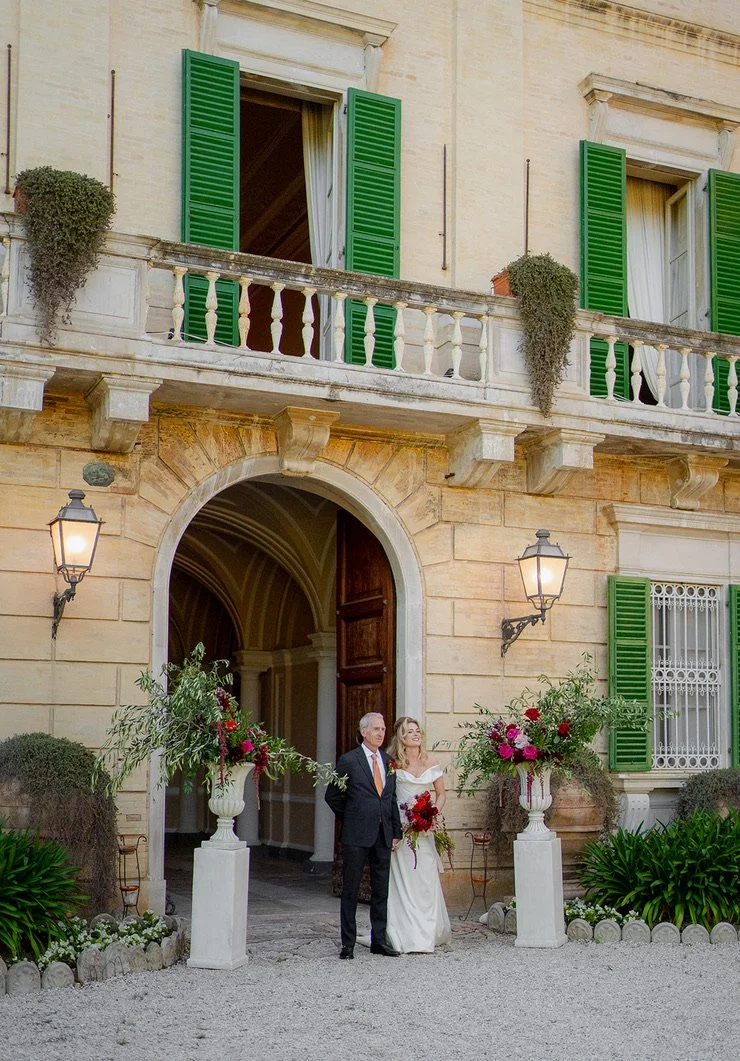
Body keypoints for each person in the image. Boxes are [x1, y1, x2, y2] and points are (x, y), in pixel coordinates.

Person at [324, 711, 403, 960]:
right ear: (364, 732)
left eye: (382, 729)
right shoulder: (349, 760)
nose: (381, 733)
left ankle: (379, 940)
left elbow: (391, 799)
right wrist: (353, 818)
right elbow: (332, 796)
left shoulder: (389, 761)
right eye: (376, 729)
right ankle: (348, 943)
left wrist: (396, 831)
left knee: (381, 890)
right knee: (351, 889)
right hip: (356, 835)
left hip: (383, 834)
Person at [385, 716, 452, 953]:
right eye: (409, 731)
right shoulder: (393, 762)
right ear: (401, 736)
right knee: (404, 879)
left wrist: (432, 813)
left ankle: (428, 930)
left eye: (417, 730)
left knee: (424, 877)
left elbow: (441, 794)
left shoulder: (431, 760)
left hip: (424, 828)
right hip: (401, 830)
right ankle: (407, 933)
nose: (415, 734)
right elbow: (388, 797)